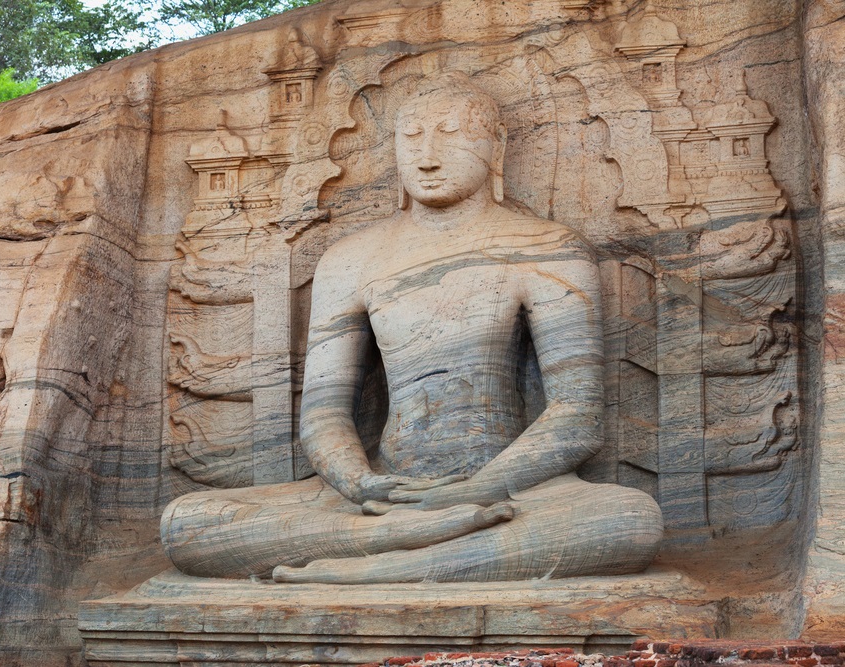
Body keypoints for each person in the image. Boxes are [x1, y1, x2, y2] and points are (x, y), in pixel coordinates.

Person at [161, 72, 663, 584]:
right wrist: (358, 483)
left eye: (450, 134)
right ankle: (405, 541)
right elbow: (323, 415)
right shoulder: (351, 259)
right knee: (186, 523)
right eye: (412, 137)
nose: (427, 156)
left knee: (629, 520)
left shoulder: (547, 249)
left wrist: (476, 490)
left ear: (497, 145)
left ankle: (383, 563)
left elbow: (577, 416)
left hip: (509, 489)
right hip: (385, 494)